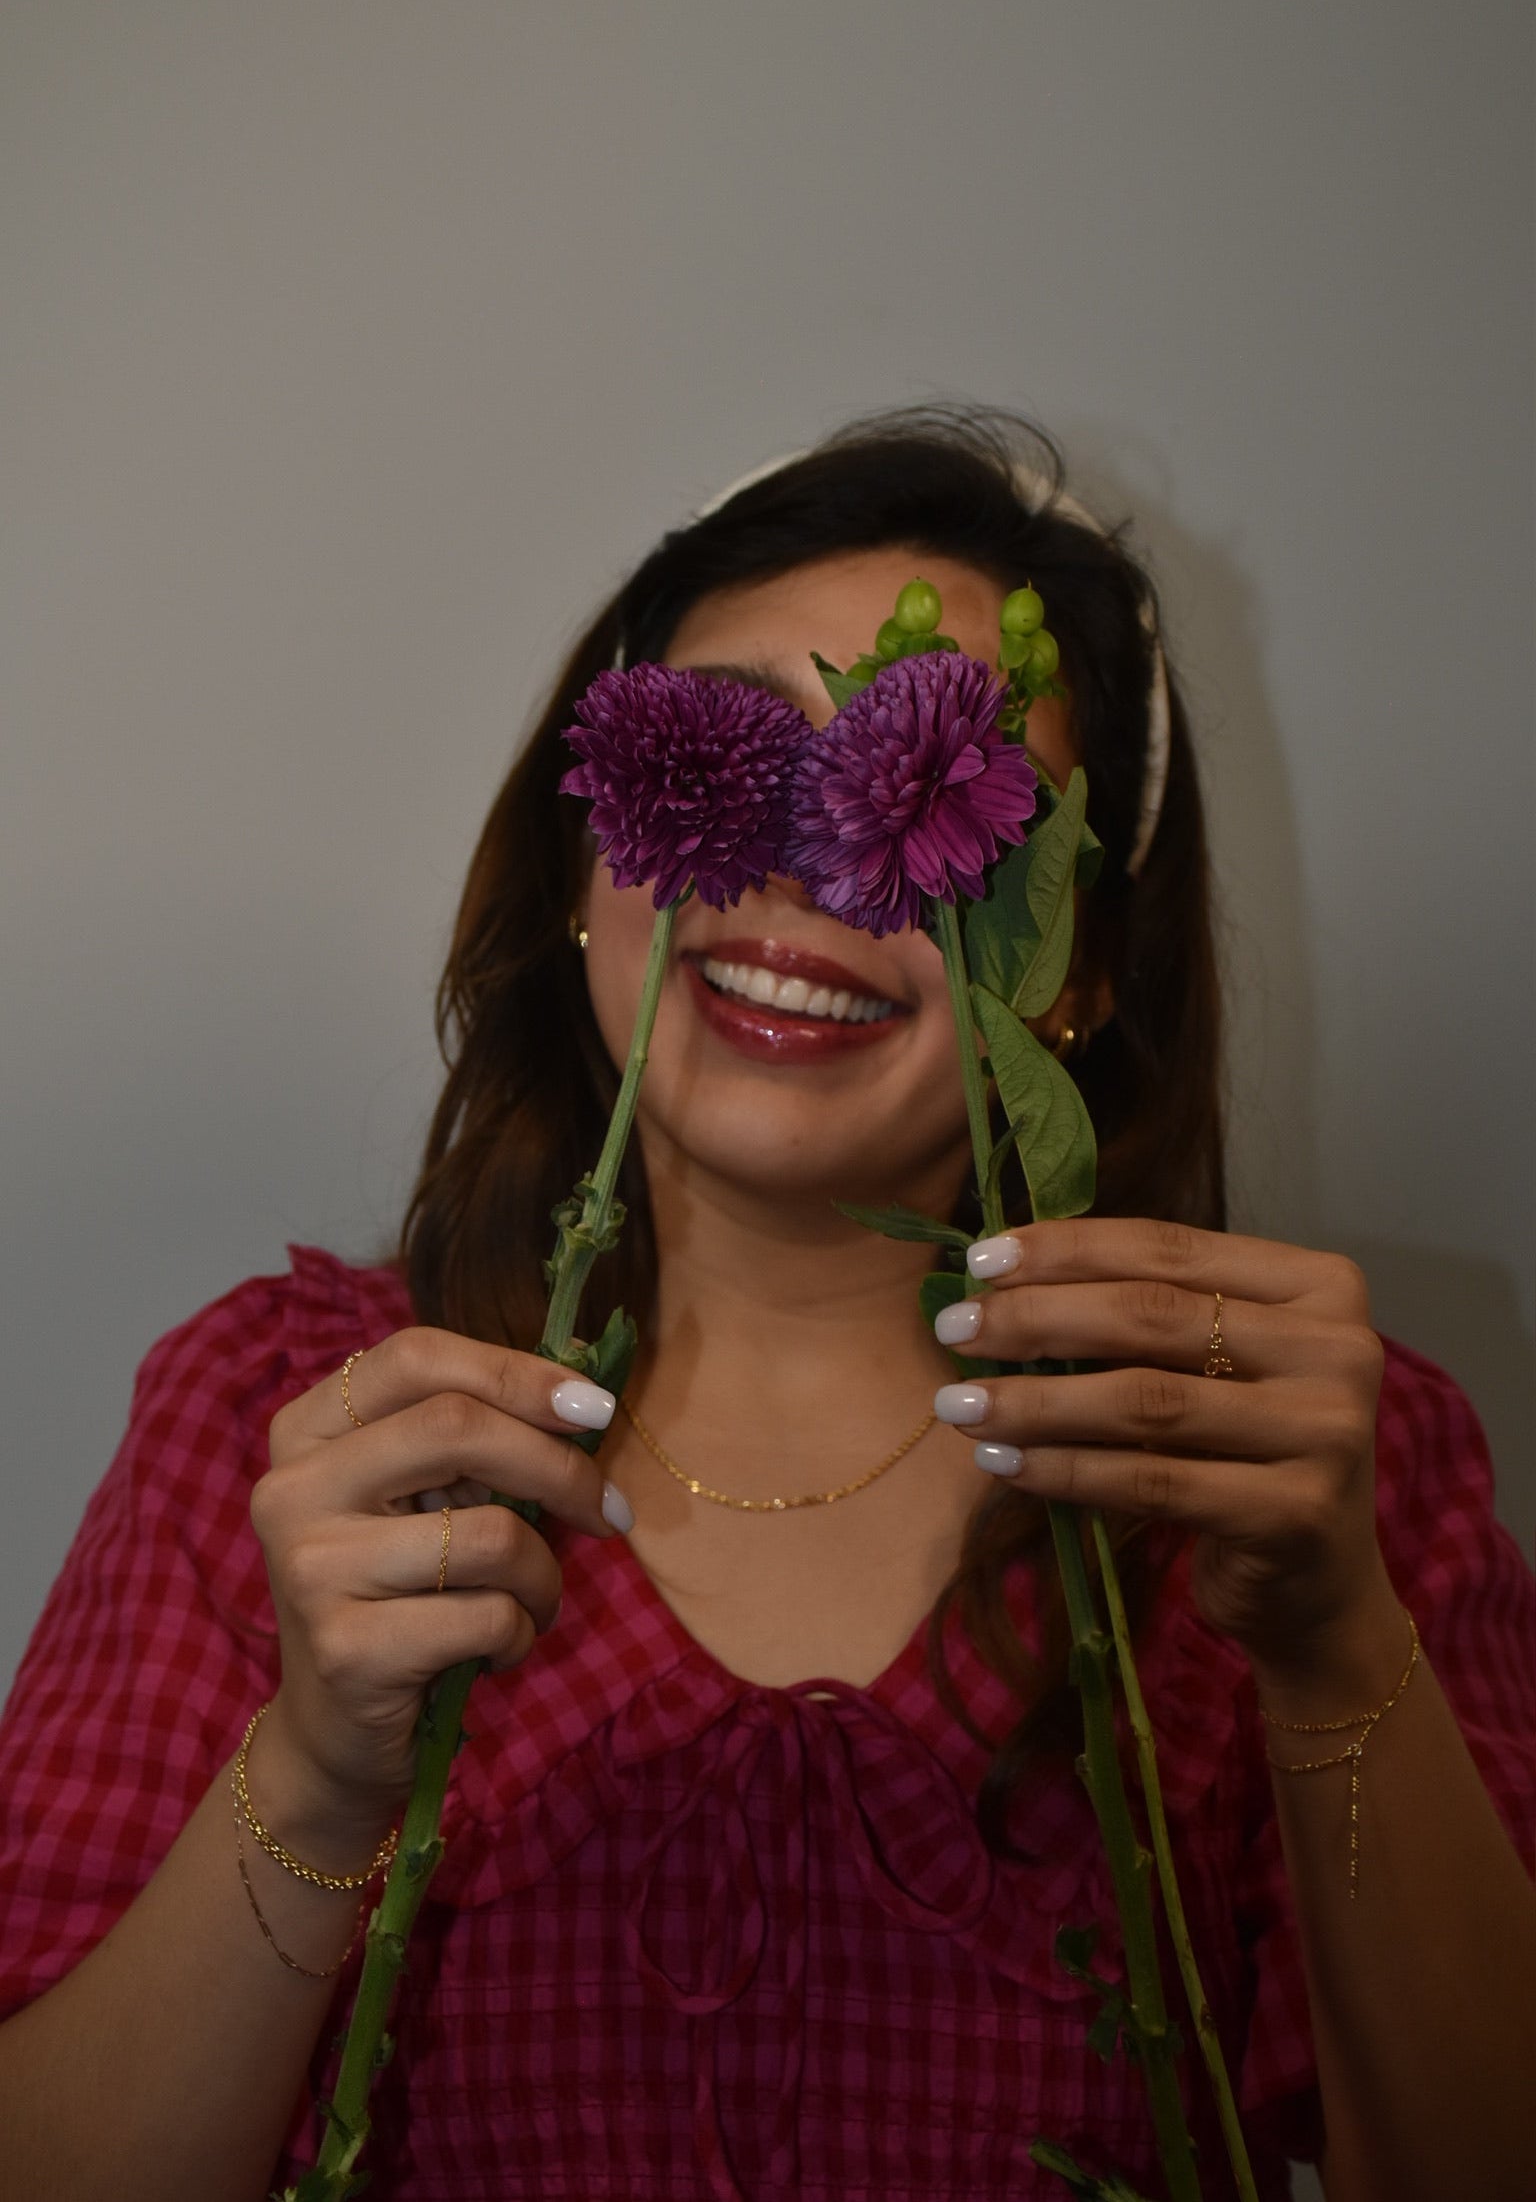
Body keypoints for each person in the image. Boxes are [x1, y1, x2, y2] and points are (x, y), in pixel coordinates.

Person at [0, 409, 1530, 2202]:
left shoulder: (1316, 1466)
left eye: (939, 805)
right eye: (740, 754)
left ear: (1084, 966)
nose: (803, 872)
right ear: (590, 851)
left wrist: (1340, 1646)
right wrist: (317, 1779)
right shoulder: (280, 1419)